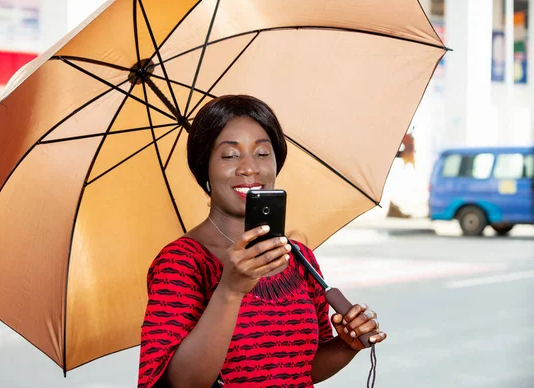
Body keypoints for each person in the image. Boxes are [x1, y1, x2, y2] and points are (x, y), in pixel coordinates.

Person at [138, 95, 387, 388]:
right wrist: (229, 290)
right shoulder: (181, 262)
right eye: (230, 156)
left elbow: (302, 369)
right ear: (204, 166)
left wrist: (345, 346)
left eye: (262, 153)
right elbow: (179, 384)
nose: (249, 168)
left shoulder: (298, 256)